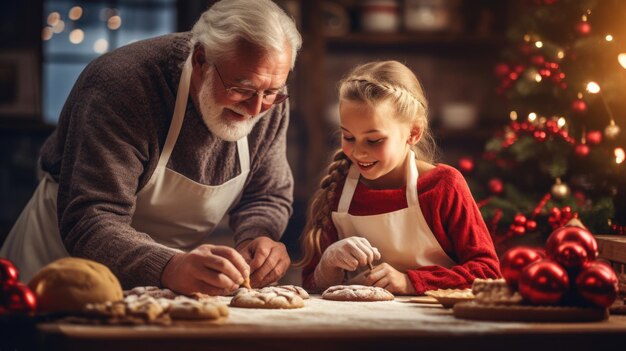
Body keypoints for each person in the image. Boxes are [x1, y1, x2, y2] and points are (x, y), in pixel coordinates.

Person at [0, 0, 302, 296]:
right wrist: (169, 266)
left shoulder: (266, 92)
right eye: (242, 90)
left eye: (272, 92)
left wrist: (259, 236)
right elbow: (92, 216)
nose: (256, 107)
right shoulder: (122, 86)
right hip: (58, 268)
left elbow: (266, 193)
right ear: (200, 60)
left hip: (168, 280)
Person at [297, 61, 501, 295]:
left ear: (413, 133)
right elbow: (312, 288)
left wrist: (410, 282)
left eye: (374, 140)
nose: (358, 152)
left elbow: (488, 273)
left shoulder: (443, 185)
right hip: (358, 326)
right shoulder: (338, 189)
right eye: (348, 137)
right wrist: (327, 265)